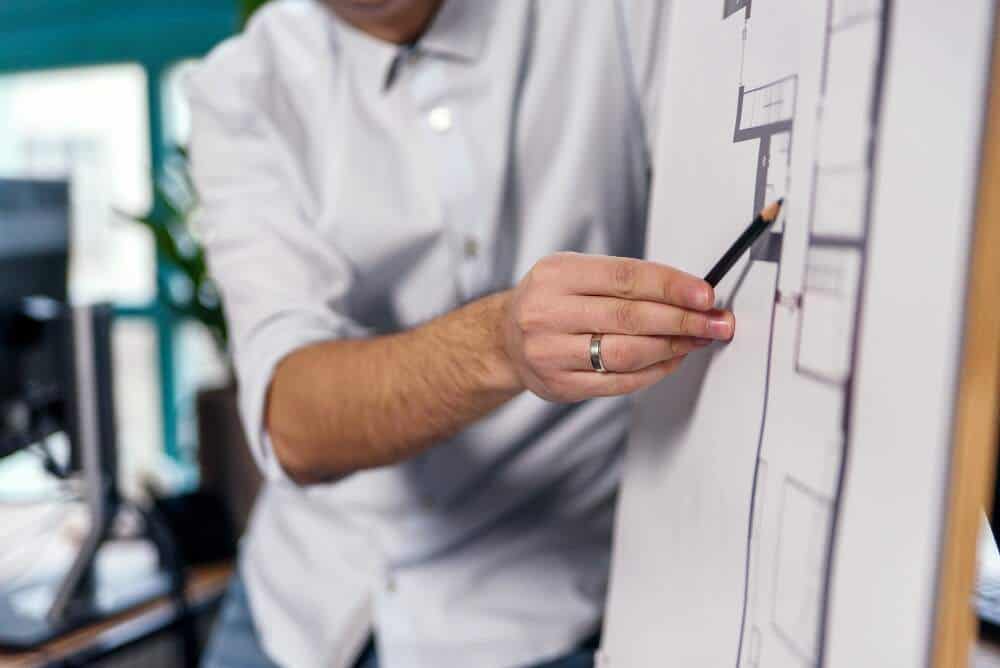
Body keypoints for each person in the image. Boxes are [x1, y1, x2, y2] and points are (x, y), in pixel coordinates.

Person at [189, 1, 736, 666]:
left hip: (544, 608)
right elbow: (292, 419)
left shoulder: (616, 15)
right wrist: (499, 343)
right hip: (306, 605)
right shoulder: (244, 86)